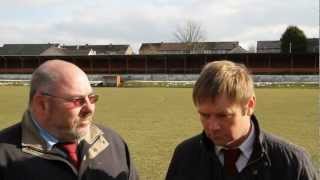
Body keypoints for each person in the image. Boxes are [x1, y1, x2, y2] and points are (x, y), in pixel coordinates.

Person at [166, 60, 317, 180]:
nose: (212, 127)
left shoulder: (291, 163)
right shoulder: (185, 156)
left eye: (223, 116)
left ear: (249, 105)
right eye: (204, 115)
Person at [0, 59, 138, 180]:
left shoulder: (113, 143)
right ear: (42, 104)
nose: (89, 109)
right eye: (77, 101)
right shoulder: (4, 158)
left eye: (92, 98)